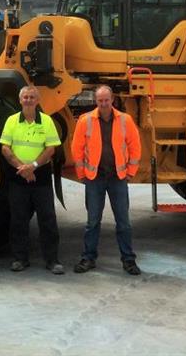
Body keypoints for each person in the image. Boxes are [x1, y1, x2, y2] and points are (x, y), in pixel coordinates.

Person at [70, 85, 142, 275]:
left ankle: (128, 261)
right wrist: (82, 174)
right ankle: (88, 258)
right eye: (100, 100)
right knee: (92, 222)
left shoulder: (125, 120)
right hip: (95, 178)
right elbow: (76, 148)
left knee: (123, 222)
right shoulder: (85, 121)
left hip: (117, 178)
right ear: (96, 101)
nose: (103, 104)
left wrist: (130, 172)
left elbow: (135, 146)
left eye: (106, 100)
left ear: (112, 100)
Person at [0, 85, 64, 275]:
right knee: (18, 220)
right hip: (18, 178)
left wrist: (33, 166)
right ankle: (20, 259)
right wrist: (23, 168)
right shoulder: (11, 121)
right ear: (20, 100)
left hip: (41, 178)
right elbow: (5, 148)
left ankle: (52, 260)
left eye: (32, 97)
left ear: (37, 100)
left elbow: (51, 149)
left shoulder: (46, 121)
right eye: (25, 97)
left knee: (48, 219)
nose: (28, 100)